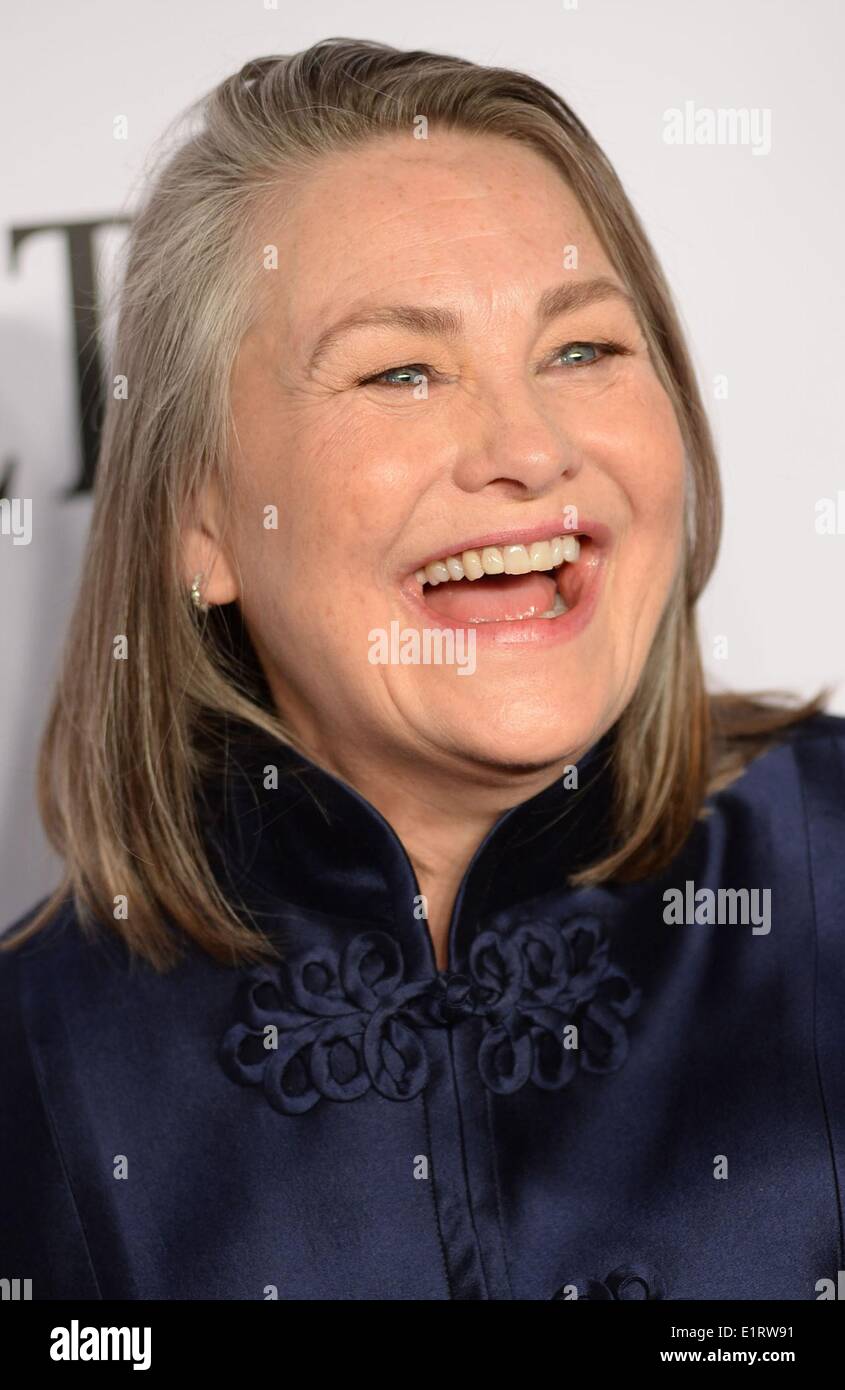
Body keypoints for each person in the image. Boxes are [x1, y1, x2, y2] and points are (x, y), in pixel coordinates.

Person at [1, 37, 842, 1302]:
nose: (527, 446)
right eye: (401, 371)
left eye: (582, 351)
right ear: (200, 519)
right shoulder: (32, 1067)